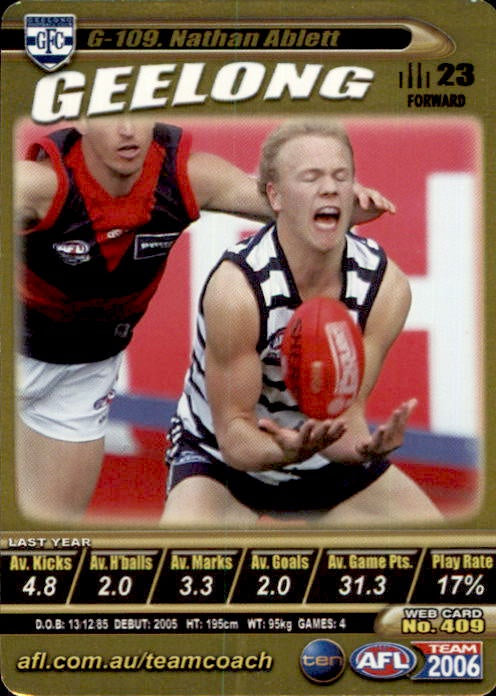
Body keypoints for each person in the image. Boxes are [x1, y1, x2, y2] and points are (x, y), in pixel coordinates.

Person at [14, 115, 394, 523]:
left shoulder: (186, 178)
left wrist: (339, 203)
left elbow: (281, 204)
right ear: (83, 121)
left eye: (139, 113)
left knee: (47, 535)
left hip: (82, 376)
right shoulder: (36, 186)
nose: (128, 130)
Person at [162, 118, 443, 527]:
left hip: (321, 460)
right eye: (311, 177)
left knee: (443, 556)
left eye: (340, 177)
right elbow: (235, 436)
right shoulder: (237, 289)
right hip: (219, 460)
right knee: (178, 562)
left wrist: (366, 449)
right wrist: (287, 451)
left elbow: (344, 416)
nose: (329, 188)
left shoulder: (385, 287)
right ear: (274, 195)